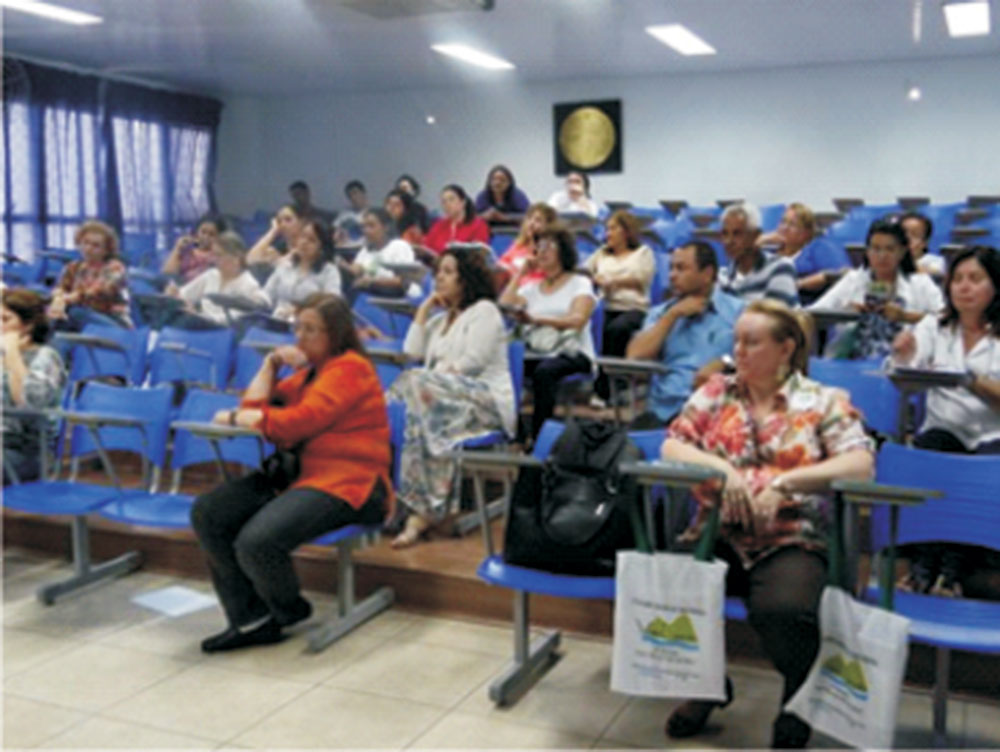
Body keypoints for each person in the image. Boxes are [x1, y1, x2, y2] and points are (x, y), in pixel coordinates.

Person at [661, 299, 875, 748]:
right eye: (736, 340)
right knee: (670, 590)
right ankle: (707, 688)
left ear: (785, 348)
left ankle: (797, 700)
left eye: (751, 342)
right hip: (716, 530)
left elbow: (860, 463)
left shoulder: (821, 401)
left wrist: (788, 481)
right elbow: (673, 446)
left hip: (791, 535)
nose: (738, 350)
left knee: (786, 611)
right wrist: (722, 471)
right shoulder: (717, 392)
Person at [191, 293, 392, 652]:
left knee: (256, 541)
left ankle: (287, 610)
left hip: (352, 485)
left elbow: (295, 424)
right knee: (210, 512)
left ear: (336, 334)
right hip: (301, 478)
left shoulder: (351, 369)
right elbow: (255, 406)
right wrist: (270, 364)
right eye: (298, 327)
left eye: (311, 330)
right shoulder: (308, 374)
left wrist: (243, 419)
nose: (300, 337)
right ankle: (252, 619)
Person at [889, 245, 1000, 598]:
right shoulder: (933, 325)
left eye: (976, 279)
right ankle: (922, 567)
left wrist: (973, 381)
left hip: (992, 434)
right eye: (958, 279)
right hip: (944, 430)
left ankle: (952, 571)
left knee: (984, 464)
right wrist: (903, 355)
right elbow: (904, 378)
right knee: (930, 448)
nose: (964, 287)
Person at [387, 246, 515, 547]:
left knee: (416, 388)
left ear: (465, 278)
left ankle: (413, 506)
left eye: (447, 272)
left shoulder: (485, 311)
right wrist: (422, 311)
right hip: (440, 403)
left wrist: (432, 378)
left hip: (485, 402)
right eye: (437, 273)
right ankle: (421, 513)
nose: (438, 280)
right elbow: (411, 352)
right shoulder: (437, 321)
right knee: (427, 419)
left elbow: (472, 362)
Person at [626, 241, 744, 428]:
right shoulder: (661, 313)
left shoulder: (738, 312)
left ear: (707, 274)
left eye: (681, 269)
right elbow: (635, 356)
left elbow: (760, 358)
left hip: (717, 412)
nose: (672, 276)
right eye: (671, 268)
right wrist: (672, 316)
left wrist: (726, 362)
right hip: (665, 412)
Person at [500, 225, 596, 441]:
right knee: (506, 365)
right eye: (538, 247)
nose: (541, 252)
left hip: (572, 352)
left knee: (545, 372)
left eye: (548, 246)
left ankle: (539, 437)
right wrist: (521, 273)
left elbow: (577, 320)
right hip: (538, 350)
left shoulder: (579, 283)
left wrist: (536, 320)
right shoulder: (532, 288)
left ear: (563, 251)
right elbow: (505, 304)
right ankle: (515, 433)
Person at [811, 218, 944, 359]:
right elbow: (812, 314)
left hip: (903, 364)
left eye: (890, 249)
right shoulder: (853, 280)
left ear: (903, 252)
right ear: (867, 252)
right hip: (853, 361)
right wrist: (845, 313)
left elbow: (947, 320)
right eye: (876, 249)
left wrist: (905, 316)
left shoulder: (920, 283)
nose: (882, 256)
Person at [584, 210, 655, 400]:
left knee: (616, 329)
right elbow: (583, 272)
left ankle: (613, 386)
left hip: (633, 308)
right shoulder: (601, 254)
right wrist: (594, 279)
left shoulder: (643, 253)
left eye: (613, 228)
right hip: (606, 306)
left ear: (626, 231)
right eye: (607, 229)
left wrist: (612, 281)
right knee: (594, 325)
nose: (608, 233)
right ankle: (601, 386)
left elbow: (641, 279)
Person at [2, 289, 66, 484]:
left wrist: (12, 353)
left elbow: (30, 405)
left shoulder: (46, 357)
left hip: (23, 450)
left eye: (5, 320)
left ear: (27, 326)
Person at [164, 231, 269, 329]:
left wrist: (200, 316)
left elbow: (239, 317)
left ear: (236, 257)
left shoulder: (248, 284)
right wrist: (175, 294)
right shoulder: (211, 275)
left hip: (223, 331)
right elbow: (184, 295)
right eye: (214, 255)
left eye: (219, 255)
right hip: (199, 325)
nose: (214, 259)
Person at [48, 220, 132, 330]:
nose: (88, 248)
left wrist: (66, 299)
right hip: (80, 315)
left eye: (95, 245)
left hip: (113, 320)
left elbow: (97, 292)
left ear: (106, 250)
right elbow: (61, 287)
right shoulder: (74, 267)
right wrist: (58, 298)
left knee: (73, 312)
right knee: (52, 314)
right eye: (85, 243)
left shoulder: (115, 268)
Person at [756, 203, 850, 301]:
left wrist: (800, 284)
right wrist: (764, 239)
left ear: (806, 233)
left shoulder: (817, 248)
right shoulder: (769, 252)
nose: (784, 228)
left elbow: (843, 273)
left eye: (792, 224)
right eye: (783, 222)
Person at [719, 202, 798, 307]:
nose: (729, 241)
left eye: (737, 234)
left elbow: (776, 318)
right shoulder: (722, 277)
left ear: (755, 235)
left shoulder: (780, 267)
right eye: (725, 234)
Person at [262, 218, 342, 321]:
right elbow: (266, 297)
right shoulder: (285, 266)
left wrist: (299, 311)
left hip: (309, 325)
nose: (304, 242)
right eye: (303, 236)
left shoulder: (329, 272)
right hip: (277, 322)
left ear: (321, 248)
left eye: (311, 240)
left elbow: (332, 306)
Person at [338, 208, 419, 299]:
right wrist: (339, 262)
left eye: (371, 226)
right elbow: (355, 271)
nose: (366, 231)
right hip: (370, 295)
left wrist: (372, 281)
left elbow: (405, 280)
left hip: (395, 298)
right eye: (363, 227)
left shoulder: (399, 246)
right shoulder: (366, 249)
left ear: (386, 227)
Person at [495, 202, 557, 290]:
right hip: (509, 290)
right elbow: (502, 263)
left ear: (548, 226)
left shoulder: (550, 250)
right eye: (529, 218)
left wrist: (516, 274)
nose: (531, 223)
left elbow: (547, 279)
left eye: (538, 220)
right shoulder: (518, 246)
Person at [420, 184, 490, 260]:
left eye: (451, 199)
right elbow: (426, 249)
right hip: (437, 267)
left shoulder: (478, 225)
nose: (447, 204)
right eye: (444, 202)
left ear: (463, 202)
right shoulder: (438, 225)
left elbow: (479, 254)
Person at [161, 215, 229, 284]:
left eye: (211, 235)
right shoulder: (186, 251)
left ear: (219, 237)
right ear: (197, 232)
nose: (206, 237)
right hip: (180, 287)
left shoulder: (219, 255)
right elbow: (168, 274)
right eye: (203, 232)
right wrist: (177, 248)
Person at [900, 210, 945, 277]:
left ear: (925, 242)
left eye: (915, 235)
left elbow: (937, 272)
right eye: (902, 234)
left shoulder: (937, 262)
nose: (907, 239)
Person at [333, 179, 369, 246]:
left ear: (364, 193)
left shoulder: (373, 214)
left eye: (355, 193)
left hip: (365, 249)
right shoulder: (343, 215)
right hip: (346, 249)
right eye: (350, 195)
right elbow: (335, 233)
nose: (353, 197)